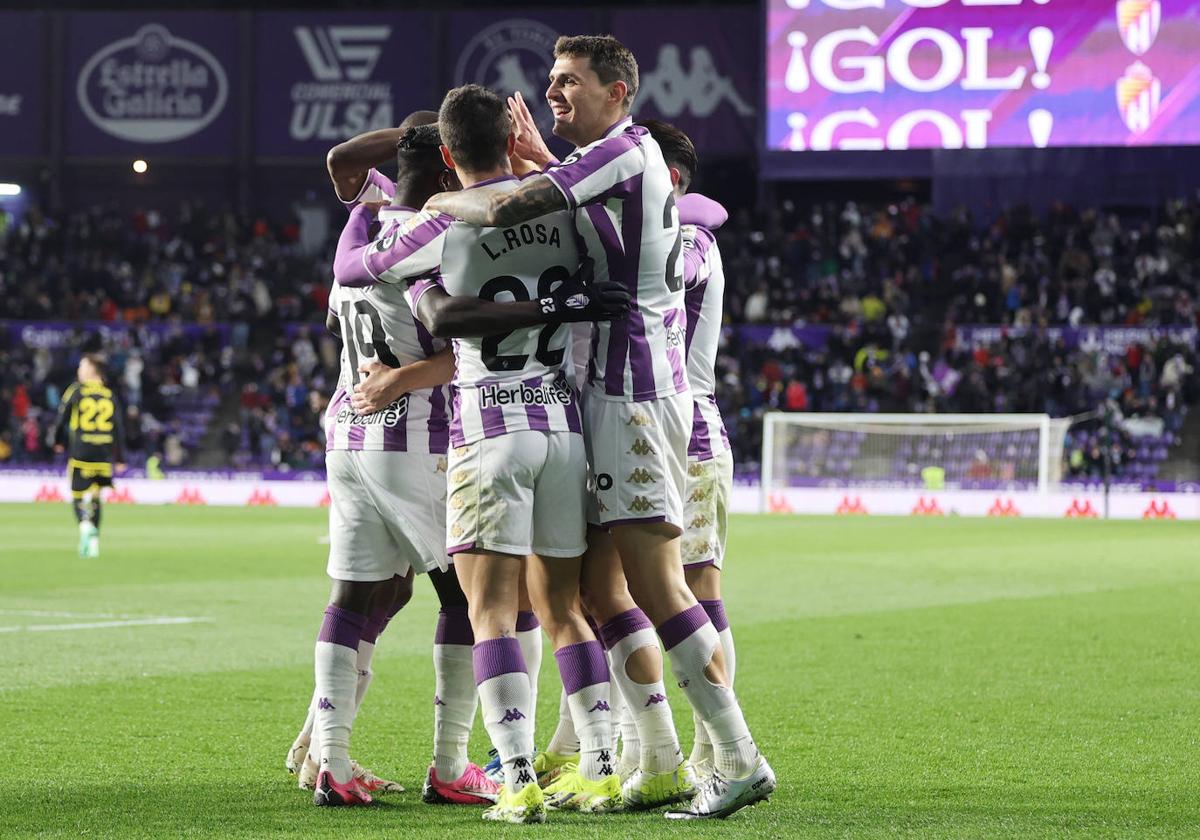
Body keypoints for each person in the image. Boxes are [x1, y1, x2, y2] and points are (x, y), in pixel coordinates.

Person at [424, 35, 775, 819]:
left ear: (619, 92)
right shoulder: (616, 157)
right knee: (607, 588)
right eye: (549, 80)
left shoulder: (625, 150)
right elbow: (564, 194)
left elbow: (510, 204)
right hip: (612, 399)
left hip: (635, 396)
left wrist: (436, 203)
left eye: (570, 81)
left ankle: (736, 755)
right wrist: (542, 152)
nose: (553, 92)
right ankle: (664, 756)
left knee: (656, 583)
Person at [333, 84, 630, 823]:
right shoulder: (555, 205)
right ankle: (598, 764)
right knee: (563, 609)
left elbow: (356, 270)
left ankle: (518, 776)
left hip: (488, 429)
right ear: (512, 136)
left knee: (490, 613)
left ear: (444, 154)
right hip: (562, 425)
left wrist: (388, 202)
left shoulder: (439, 222)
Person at [291, 113, 496, 808]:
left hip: (347, 436)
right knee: (468, 596)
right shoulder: (434, 236)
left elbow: (347, 163)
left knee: (354, 597)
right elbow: (453, 344)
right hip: (415, 439)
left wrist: (427, 133)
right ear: (448, 169)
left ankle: (335, 763)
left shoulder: (361, 225)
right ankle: (451, 762)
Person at [638, 119, 738, 780]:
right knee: (655, 589)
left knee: (699, 586)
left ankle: (717, 742)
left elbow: (678, 266)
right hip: (660, 428)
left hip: (693, 432)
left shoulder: (693, 239)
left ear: (668, 179)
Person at [52, 354, 125, 558]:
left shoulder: (76, 391)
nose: (79, 370)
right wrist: (120, 457)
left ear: (92, 371)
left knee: (77, 495)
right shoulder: (109, 395)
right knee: (95, 497)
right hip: (103, 454)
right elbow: (118, 428)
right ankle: (94, 545)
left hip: (81, 452)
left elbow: (62, 418)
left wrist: (58, 441)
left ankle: (84, 526)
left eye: (82, 366)